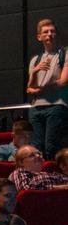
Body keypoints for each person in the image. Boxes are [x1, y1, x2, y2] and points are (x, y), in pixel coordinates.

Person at [27, 17, 68, 158]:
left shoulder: (65, 53)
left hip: (56, 106)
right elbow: (29, 88)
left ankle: (53, 177)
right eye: (45, 32)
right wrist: (34, 71)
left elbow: (63, 81)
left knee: (52, 147)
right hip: (36, 108)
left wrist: (40, 89)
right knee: (37, 148)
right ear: (39, 37)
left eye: (52, 31)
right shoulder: (35, 60)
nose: (49, 34)